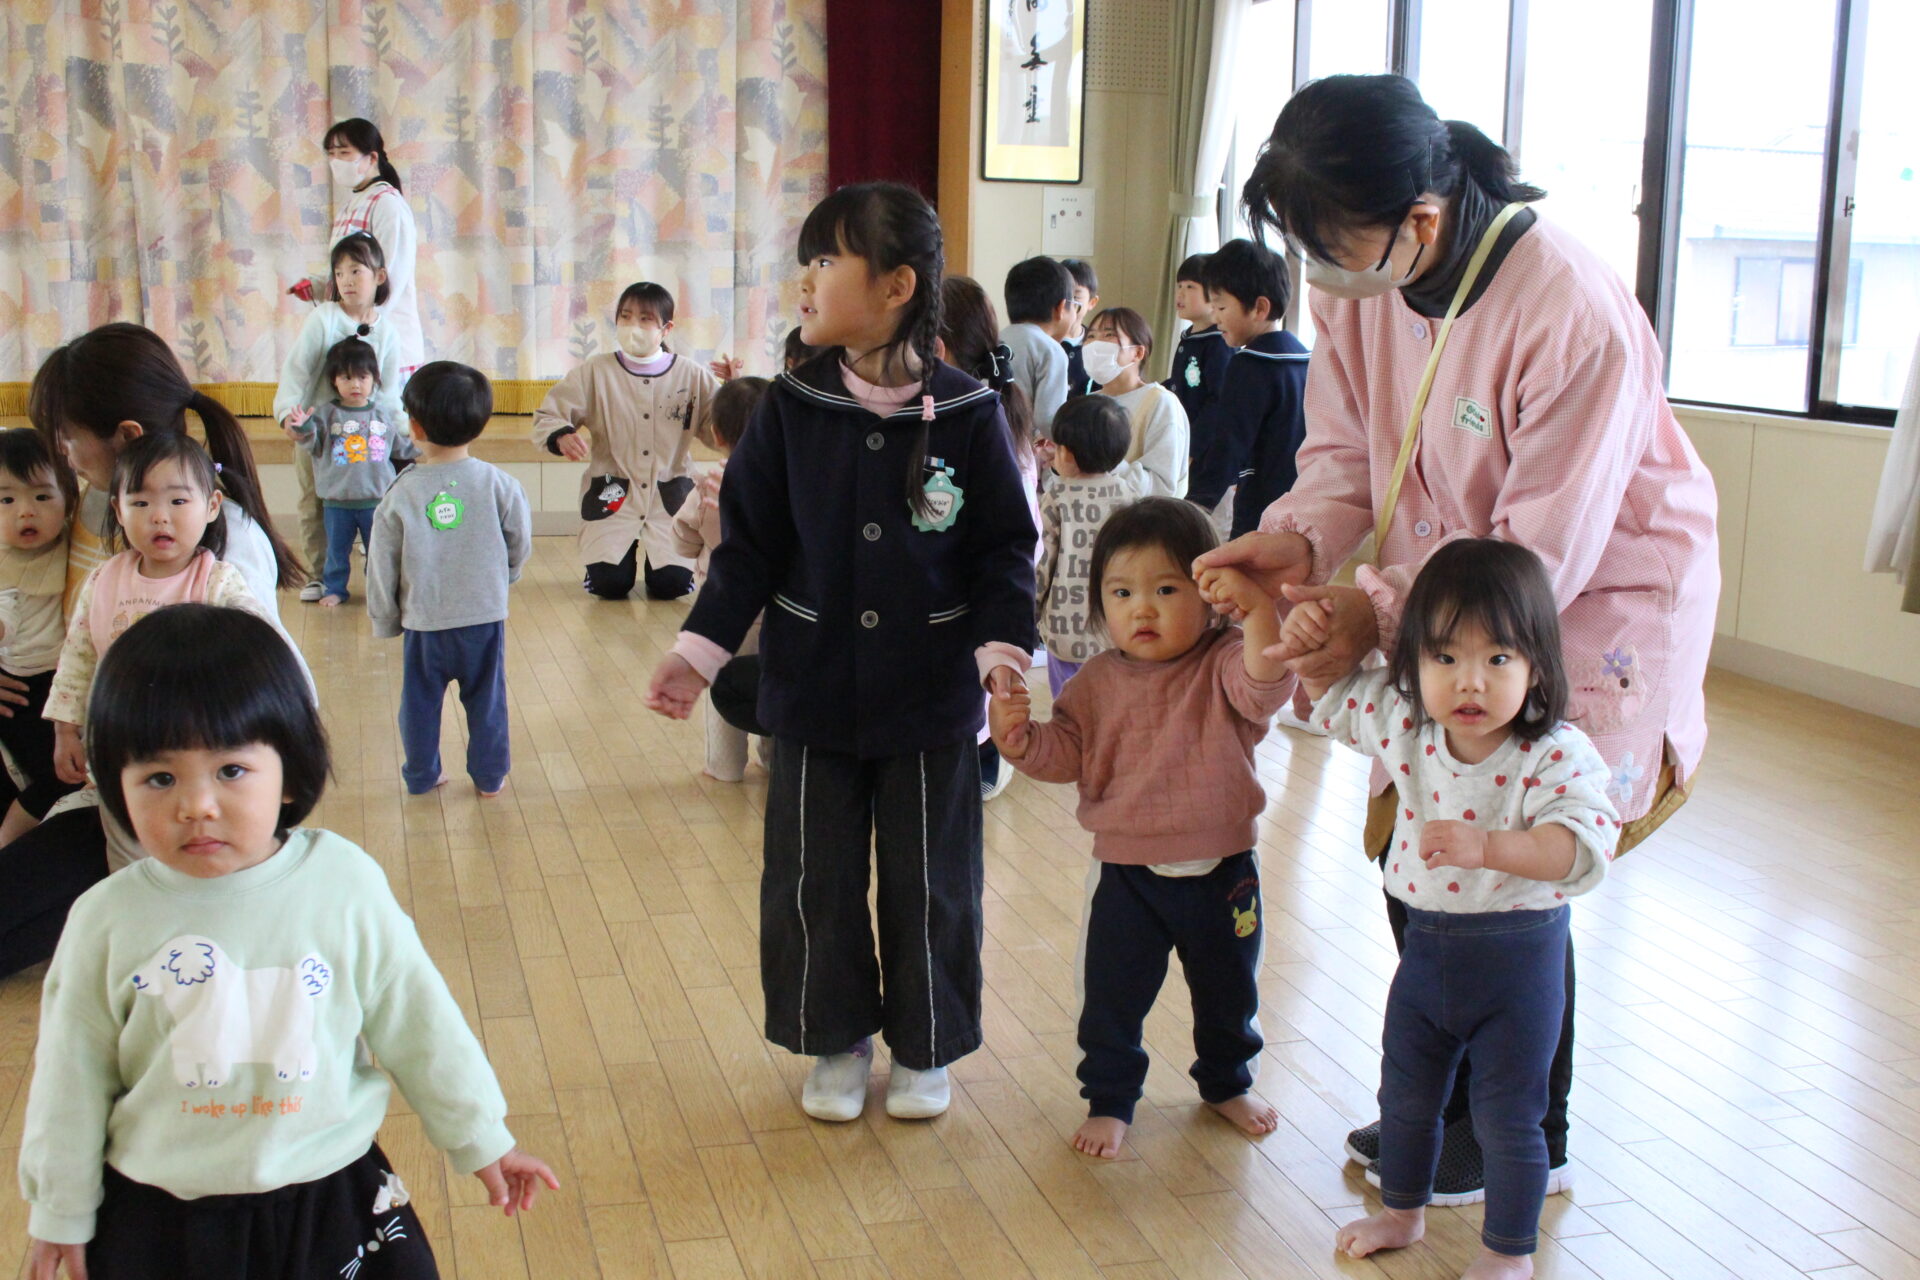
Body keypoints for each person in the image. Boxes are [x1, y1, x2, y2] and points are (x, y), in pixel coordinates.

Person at [1196, 73, 1719, 1201]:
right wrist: (1294, 541)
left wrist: (1375, 610)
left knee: (1516, 867)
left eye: (1331, 246)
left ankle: (1523, 1126)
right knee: (1428, 849)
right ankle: (1452, 1102)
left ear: (1421, 222)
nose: (1319, 273)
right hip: (1443, 597)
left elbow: (1540, 555)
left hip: (1580, 601)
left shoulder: (1569, 311)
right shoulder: (1363, 283)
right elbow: (1341, 453)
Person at [644, 182, 1038, 1124]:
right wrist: (698, 652)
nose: (806, 280)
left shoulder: (968, 410)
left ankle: (927, 1044)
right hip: (812, 690)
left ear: (896, 286)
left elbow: (1002, 550)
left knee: (933, 880)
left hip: (932, 697)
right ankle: (834, 1037)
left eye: (827, 261)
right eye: (807, 261)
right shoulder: (791, 405)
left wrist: (1001, 657)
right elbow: (748, 550)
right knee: (812, 876)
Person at [19, 604, 557, 1279]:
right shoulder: (105, 918)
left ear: (291, 773)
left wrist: (482, 1138)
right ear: (115, 785)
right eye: (159, 778)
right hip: (162, 1212)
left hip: (331, 1194)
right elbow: (69, 1078)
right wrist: (60, 1209)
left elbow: (420, 1022)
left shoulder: (342, 884)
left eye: (231, 770)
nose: (196, 805)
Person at [1288, 540, 1616, 1279]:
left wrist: (1489, 847)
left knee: (1508, 1118)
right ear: (1413, 662)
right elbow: (1333, 700)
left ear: (1538, 665)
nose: (1470, 681)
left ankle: (1508, 1251)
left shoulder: (1553, 752)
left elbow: (1584, 849)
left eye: (1497, 658)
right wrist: (1303, 639)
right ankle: (1401, 1212)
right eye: (1444, 657)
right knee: (1405, 1098)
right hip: (1427, 956)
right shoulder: (1408, 725)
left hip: (1519, 966)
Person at [991, 498, 1292, 1158]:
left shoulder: (1225, 661)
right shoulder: (1096, 681)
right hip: (1126, 876)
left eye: (1166, 590)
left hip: (1224, 871)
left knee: (1229, 990)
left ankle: (1227, 1083)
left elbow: (1266, 685)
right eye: (1121, 592)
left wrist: (1259, 610)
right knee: (1110, 995)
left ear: (1210, 598)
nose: (1142, 610)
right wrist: (1020, 738)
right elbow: (1065, 753)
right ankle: (1110, 1097)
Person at [29, 323, 304, 625]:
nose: (59, 449)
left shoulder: (231, 536)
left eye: (66, 436)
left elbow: (255, 651)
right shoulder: (94, 499)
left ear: (128, 436)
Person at [368, 362, 532, 798]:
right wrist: (504, 577)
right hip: (483, 619)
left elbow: (381, 563)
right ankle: (490, 777)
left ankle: (422, 775)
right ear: (480, 424)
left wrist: (385, 619)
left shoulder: (401, 492)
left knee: (420, 704)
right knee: (487, 701)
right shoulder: (500, 484)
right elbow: (519, 542)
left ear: (415, 426)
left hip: (425, 624)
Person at [533, 282, 720, 602]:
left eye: (645, 319)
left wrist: (737, 391)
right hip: (612, 489)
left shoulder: (692, 375)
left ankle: (671, 566)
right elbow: (549, 414)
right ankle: (612, 559)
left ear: (666, 328)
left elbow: (722, 427)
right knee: (610, 585)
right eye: (626, 316)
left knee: (671, 585)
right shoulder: (594, 371)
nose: (634, 325)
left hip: (670, 490)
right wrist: (561, 434)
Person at [938, 274, 1041, 802]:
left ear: (936, 348)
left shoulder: (981, 415)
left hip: (982, 587)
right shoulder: (986, 406)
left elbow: (1017, 533)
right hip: (970, 584)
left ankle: (991, 757)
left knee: (985, 675)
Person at [276, 232, 410, 602]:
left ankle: (380, 580)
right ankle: (319, 576)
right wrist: (288, 415)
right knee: (312, 503)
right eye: (339, 273)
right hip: (317, 433)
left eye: (356, 271)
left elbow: (388, 394)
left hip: (366, 439)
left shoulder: (388, 332)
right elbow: (296, 371)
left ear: (379, 276)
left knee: (373, 507)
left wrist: (405, 432)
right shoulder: (323, 318)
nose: (346, 280)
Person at [671, 376, 773, 782]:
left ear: (715, 434)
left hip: (725, 612)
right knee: (772, 682)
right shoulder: (787, 481)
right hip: (779, 608)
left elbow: (682, 541)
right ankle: (775, 759)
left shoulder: (708, 485)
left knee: (724, 685)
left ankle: (724, 766)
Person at [1187, 238, 1310, 539]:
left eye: (1221, 306)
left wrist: (1196, 504)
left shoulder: (1250, 364)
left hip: (1260, 506)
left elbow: (1229, 444)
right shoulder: (1305, 358)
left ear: (1259, 308)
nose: (1215, 316)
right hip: (1305, 502)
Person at [285, 336, 417, 606]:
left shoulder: (382, 414)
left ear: (374, 379)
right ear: (334, 380)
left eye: (362, 377)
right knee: (336, 551)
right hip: (337, 502)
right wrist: (303, 427)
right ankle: (335, 589)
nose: (355, 384)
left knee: (379, 551)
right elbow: (312, 445)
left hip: (377, 501)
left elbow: (399, 447)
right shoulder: (326, 415)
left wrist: (425, 443)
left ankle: (380, 591)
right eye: (346, 378)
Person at [290, 118, 425, 373]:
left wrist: (362, 328)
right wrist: (318, 286)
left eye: (344, 153)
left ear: (371, 157)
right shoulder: (352, 204)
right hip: (354, 343)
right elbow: (348, 270)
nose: (335, 161)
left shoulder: (388, 205)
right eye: (331, 154)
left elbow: (390, 277)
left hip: (383, 346)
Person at [0, 430, 80, 843]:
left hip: (62, 682)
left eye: (42, 496)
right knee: (58, 771)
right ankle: (13, 833)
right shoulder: (5, 561)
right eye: (6, 500)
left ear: (70, 499)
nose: (25, 512)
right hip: (24, 687)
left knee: (65, 770)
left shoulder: (77, 538)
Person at [1034, 395, 1136, 696]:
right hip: (1115, 627)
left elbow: (1042, 561)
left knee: (1067, 704)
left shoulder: (1057, 497)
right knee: (1110, 702)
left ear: (1067, 454)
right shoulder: (1127, 495)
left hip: (1066, 628)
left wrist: (1030, 609)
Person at [1085, 307, 1190, 499]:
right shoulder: (1085, 404)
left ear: (1138, 352)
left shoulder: (1160, 402)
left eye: (1109, 335)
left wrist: (1101, 458)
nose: (1095, 344)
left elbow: (1160, 486)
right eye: (1090, 336)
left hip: (1139, 517)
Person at [999, 256, 1075, 434]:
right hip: (1017, 442)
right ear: (1061, 308)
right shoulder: (1050, 350)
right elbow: (1048, 420)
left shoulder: (996, 339)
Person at [1164, 252, 1231, 426]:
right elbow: (1180, 383)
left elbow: (1218, 399)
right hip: (1181, 432)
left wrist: (1195, 440)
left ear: (1215, 295)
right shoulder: (1190, 338)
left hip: (1201, 440)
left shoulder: (1219, 342)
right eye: (1179, 285)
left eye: (1190, 287)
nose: (1180, 293)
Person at [1059, 258, 1102, 397]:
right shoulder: (1045, 341)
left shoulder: (1097, 345)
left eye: (1076, 296)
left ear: (1092, 302)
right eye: (1063, 294)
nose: (1068, 302)